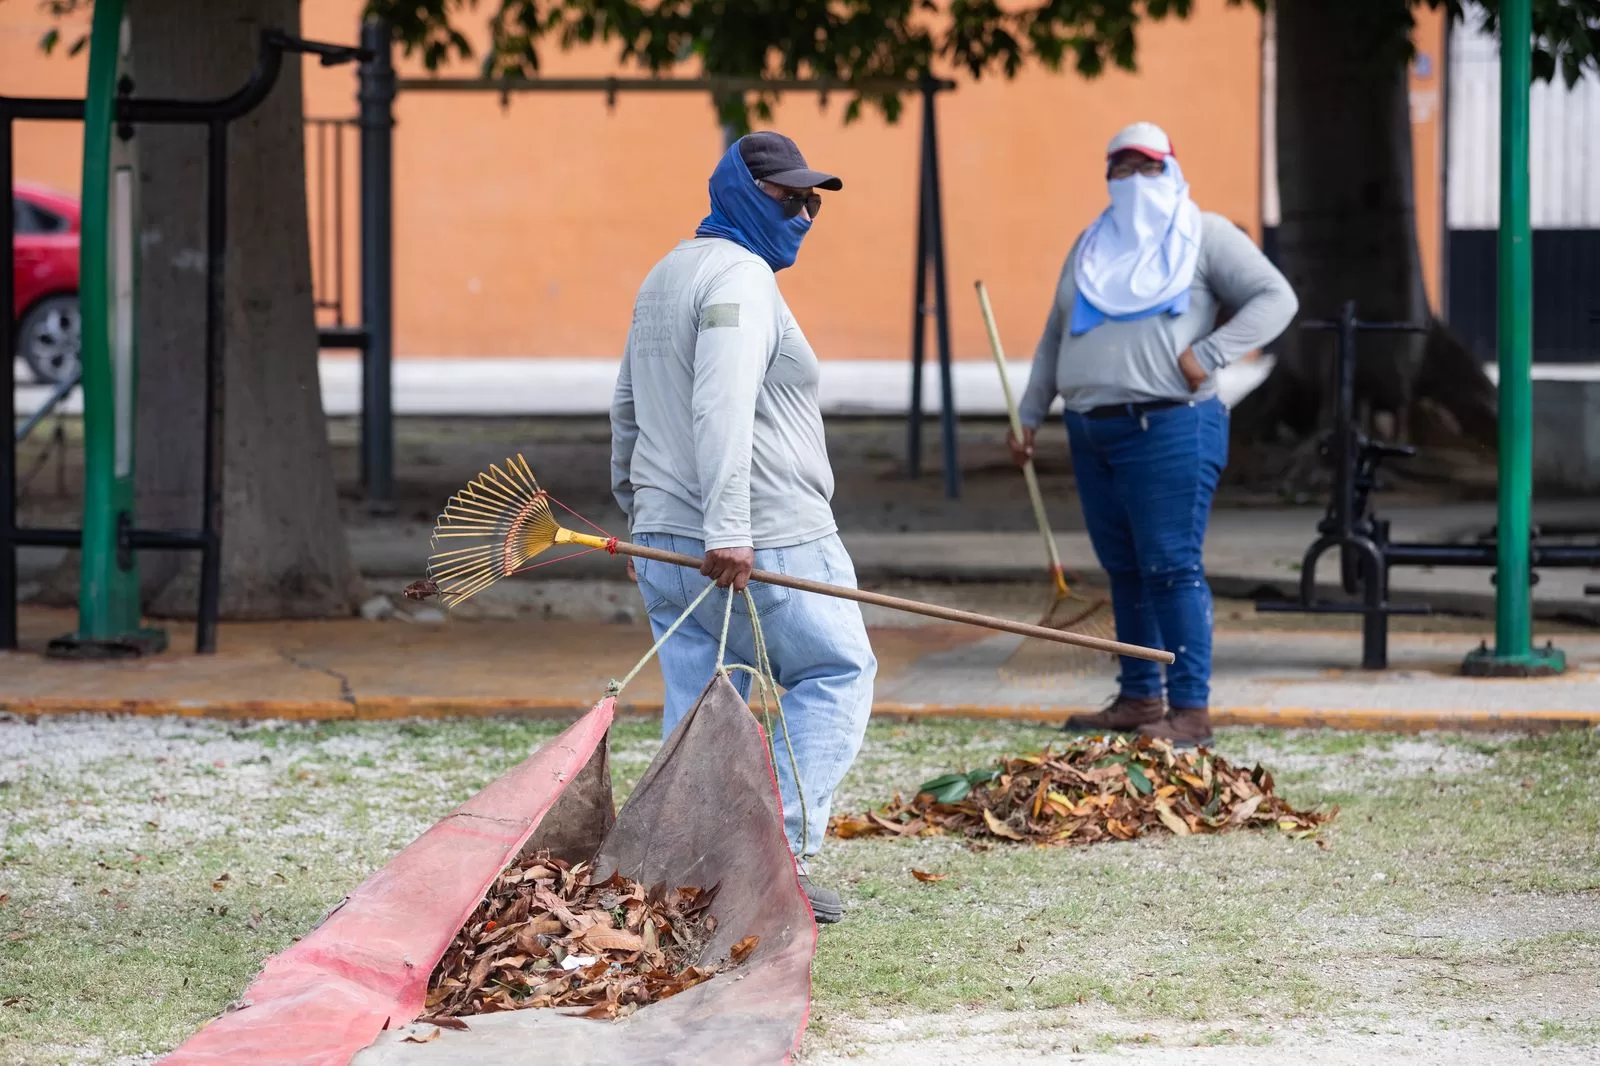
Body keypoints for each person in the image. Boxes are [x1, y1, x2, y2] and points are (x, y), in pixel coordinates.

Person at [609, 131, 876, 924]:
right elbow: (719, 403)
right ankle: (768, 861)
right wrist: (728, 527)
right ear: (735, 191)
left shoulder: (667, 274)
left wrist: (642, 521)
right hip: (762, 536)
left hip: (670, 539)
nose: (802, 212)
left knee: (703, 704)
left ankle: (688, 878)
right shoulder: (741, 277)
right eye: (785, 197)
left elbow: (625, 405)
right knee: (836, 674)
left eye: (810, 199)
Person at [1011, 122, 1297, 747]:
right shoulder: (1090, 246)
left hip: (1169, 426)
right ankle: (1141, 698)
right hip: (1092, 431)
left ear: (1171, 170)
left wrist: (1214, 352)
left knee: (1170, 566)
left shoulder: (1205, 234)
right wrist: (1029, 412)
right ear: (1107, 176)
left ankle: (1190, 712)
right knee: (1125, 569)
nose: (1135, 181)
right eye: (1122, 168)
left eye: (1148, 167)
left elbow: (1276, 298)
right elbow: (1055, 335)